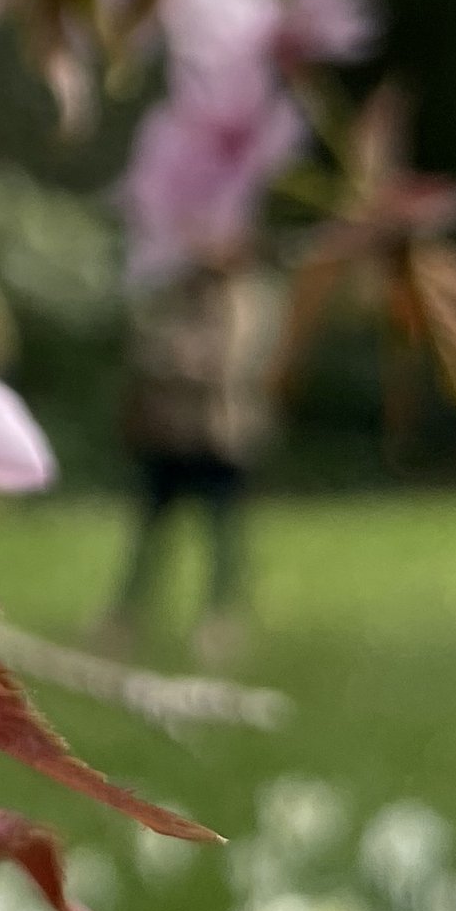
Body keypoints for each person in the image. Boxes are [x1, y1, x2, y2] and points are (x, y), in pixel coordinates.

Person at [101, 257, 287, 657]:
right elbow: (145, 352)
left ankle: (221, 618)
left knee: (222, 533)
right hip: (167, 434)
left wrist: (181, 362)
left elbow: (237, 362)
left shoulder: (247, 296)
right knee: (150, 531)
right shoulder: (168, 295)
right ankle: (125, 616)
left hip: (219, 437)